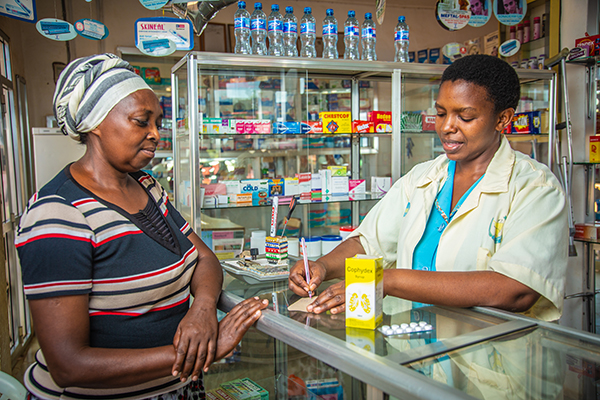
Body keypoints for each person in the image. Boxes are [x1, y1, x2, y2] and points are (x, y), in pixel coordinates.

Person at [16, 54, 268, 400]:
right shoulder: (58, 215)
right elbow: (68, 365)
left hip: (179, 389)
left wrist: (203, 308)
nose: (154, 134)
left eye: (158, 122)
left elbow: (203, 257)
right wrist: (204, 349)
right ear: (95, 123)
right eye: (140, 121)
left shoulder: (147, 186)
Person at [289, 54, 568, 322]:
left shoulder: (535, 188)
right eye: (441, 113)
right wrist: (323, 266)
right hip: (415, 346)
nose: (447, 127)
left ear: (502, 119)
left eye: (465, 117)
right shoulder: (423, 177)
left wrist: (389, 279)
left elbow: (515, 289)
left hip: (488, 359)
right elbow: (368, 242)